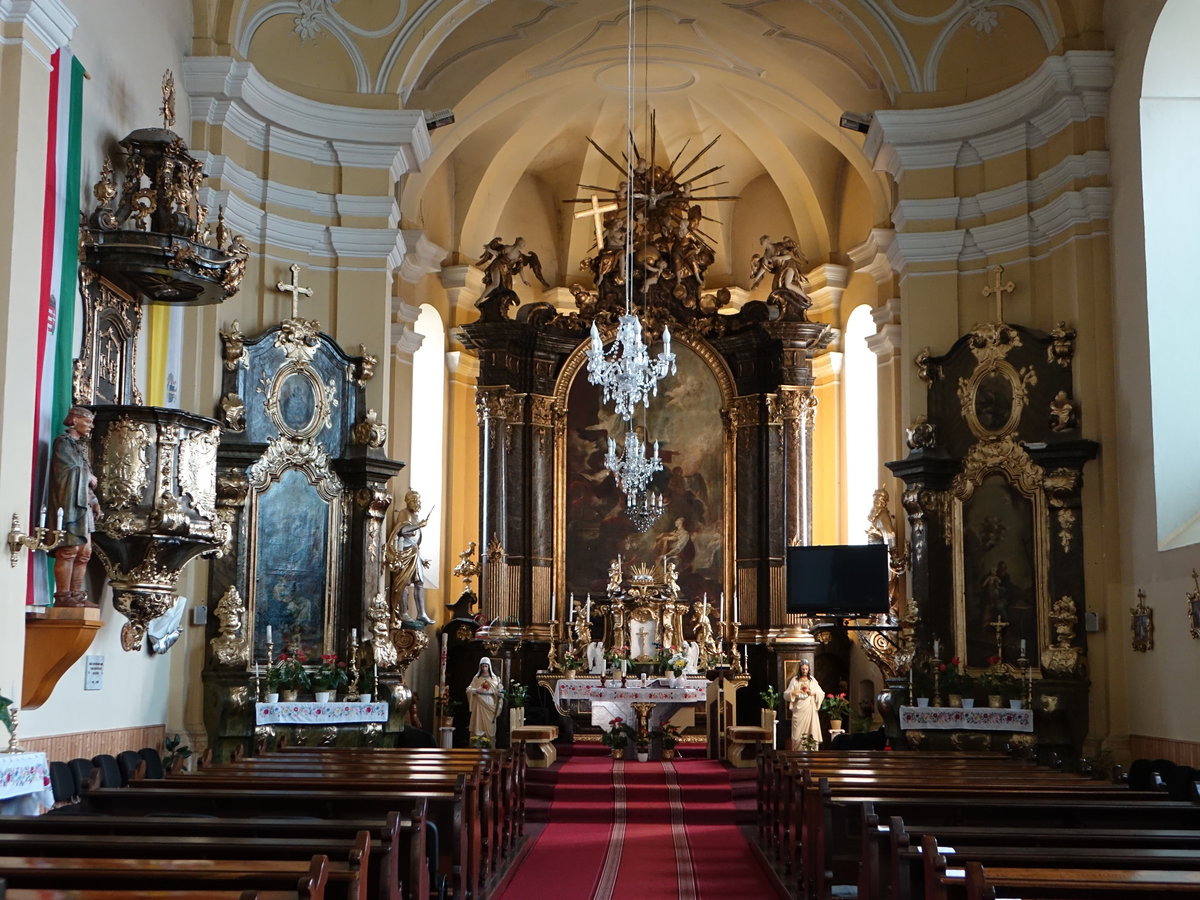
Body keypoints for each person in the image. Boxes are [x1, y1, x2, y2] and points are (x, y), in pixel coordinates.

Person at [48, 406, 101, 608]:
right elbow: (67, 471)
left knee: (85, 552)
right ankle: (62, 596)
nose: (91, 426)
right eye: (88, 422)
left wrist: (94, 501)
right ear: (75, 420)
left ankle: (77, 594)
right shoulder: (64, 443)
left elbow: (87, 477)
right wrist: (86, 476)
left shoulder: (80, 447)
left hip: (84, 504)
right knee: (69, 549)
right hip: (69, 503)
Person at [386, 489, 433, 625]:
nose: (417, 503)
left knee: (420, 582)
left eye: (418, 501)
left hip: (414, 553)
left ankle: (422, 613)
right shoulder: (404, 513)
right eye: (414, 501)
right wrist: (418, 525)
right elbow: (402, 530)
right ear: (408, 501)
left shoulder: (416, 516)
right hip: (404, 554)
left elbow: (415, 541)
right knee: (404, 583)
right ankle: (404, 613)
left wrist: (423, 559)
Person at [784, 660, 825, 748]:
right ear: (800, 669)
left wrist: (812, 693)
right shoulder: (795, 680)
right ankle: (797, 753)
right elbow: (786, 694)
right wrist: (793, 692)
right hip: (799, 709)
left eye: (806, 669)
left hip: (810, 708)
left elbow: (821, 693)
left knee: (811, 731)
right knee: (797, 735)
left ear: (809, 669)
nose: (805, 671)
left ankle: (811, 752)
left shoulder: (812, 680)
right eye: (803, 669)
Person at [466, 657, 503, 743]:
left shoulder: (494, 678)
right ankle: (477, 742)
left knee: (490, 724)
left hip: (489, 702)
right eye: (483, 666)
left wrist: (500, 694)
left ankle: (489, 742)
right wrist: (476, 690)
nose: (484, 668)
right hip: (479, 702)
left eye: (486, 666)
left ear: (489, 667)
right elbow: (469, 689)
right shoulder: (476, 678)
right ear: (480, 667)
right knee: (478, 723)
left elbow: (498, 691)